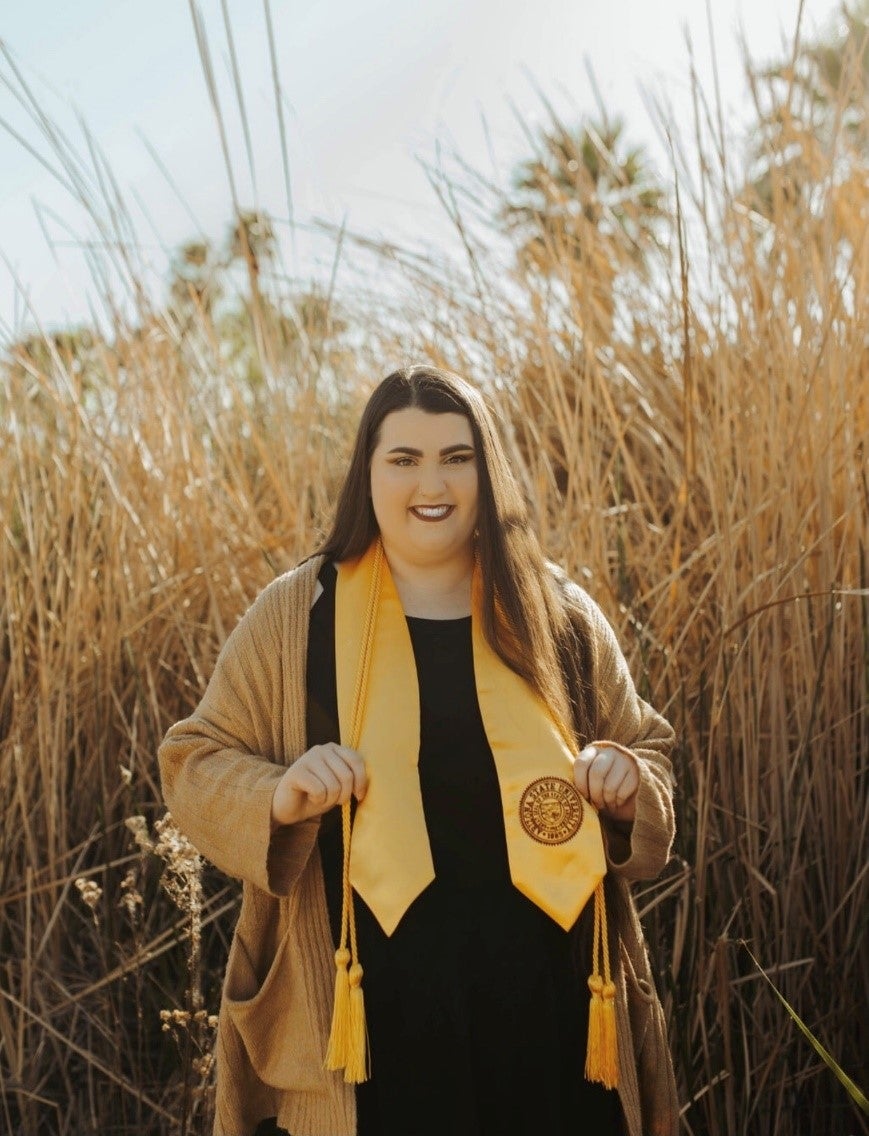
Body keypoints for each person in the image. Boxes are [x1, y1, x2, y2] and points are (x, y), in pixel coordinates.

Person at [158, 365, 679, 1136]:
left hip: (555, 1008)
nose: (430, 482)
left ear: (487, 472)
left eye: (455, 457)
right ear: (366, 473)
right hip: (367, 1017)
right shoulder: (300, 615)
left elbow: (647, 748)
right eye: (403, 458)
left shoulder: (554, 611)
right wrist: (281, 793)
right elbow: (193, 758)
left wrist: (627, 781)